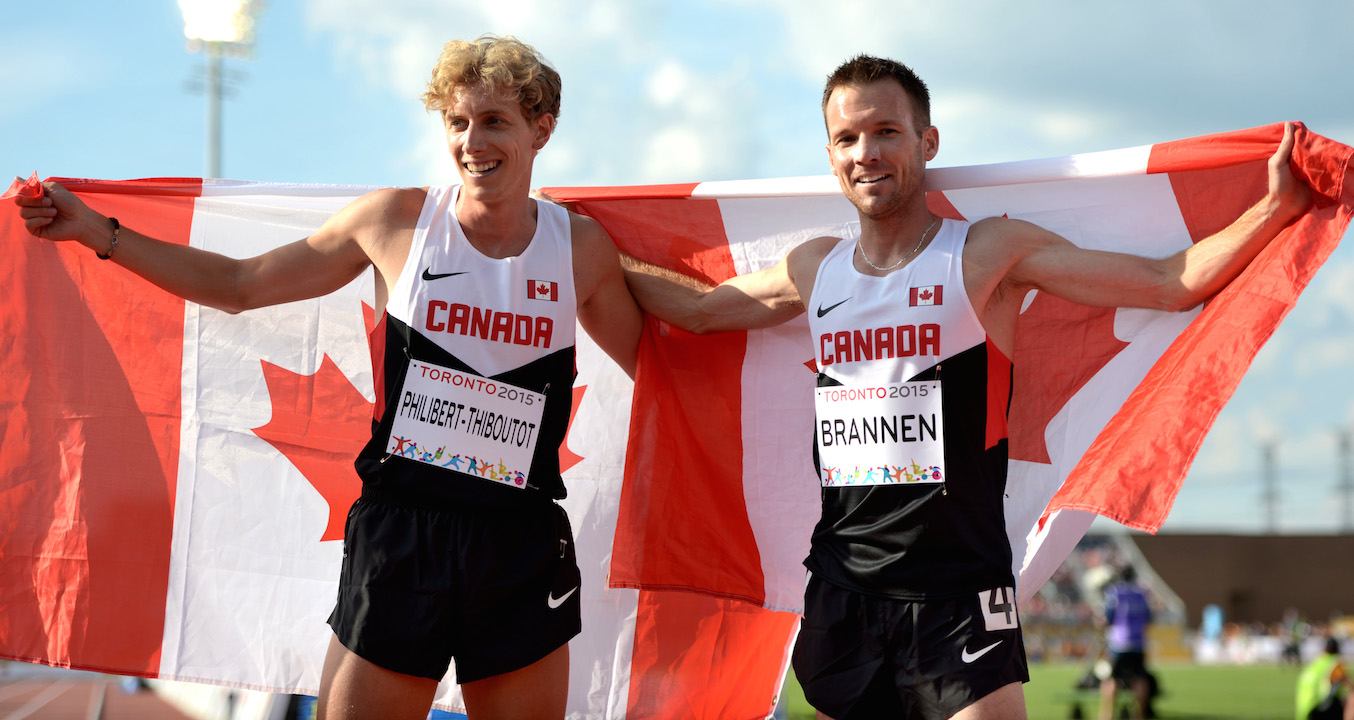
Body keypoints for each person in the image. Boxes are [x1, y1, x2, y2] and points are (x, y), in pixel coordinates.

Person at [620, 54, 1310, 720]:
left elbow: (1169, 283)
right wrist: (580, 248)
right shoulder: (815, 268)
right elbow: (701, 311)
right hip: (843, 587)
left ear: (927, 141)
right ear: (830, 155)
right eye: (847, 137)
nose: (866, 152)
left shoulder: (985, 254)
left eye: (886, 131)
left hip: (959, 586)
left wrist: (1273, 209)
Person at [15, 35, 641, 720]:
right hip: (405, 536)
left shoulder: (578, 248)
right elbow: (238, 283)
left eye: (494, 121)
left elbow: (657, 370)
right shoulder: (397, 222)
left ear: (540, 129)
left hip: (518, 543)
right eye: (457, 122)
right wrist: (98, 232)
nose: (471, 141)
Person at [1099, 566, 1153, 720]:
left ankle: (1107, 715)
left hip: (1119, 642)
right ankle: (1139, 715)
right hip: (1138, 642)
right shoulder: (1141, 594)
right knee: (1140, 678)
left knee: (1112, 678)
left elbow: (1109, 617)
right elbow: (1148, 617)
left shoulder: (1115, 592)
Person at [1296, 637, 1354, 720]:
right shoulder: (1335, 663)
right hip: (1320, 708)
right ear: (1337, 649)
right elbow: (1350, 685)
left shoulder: (1315, 663)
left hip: (1304, 711)